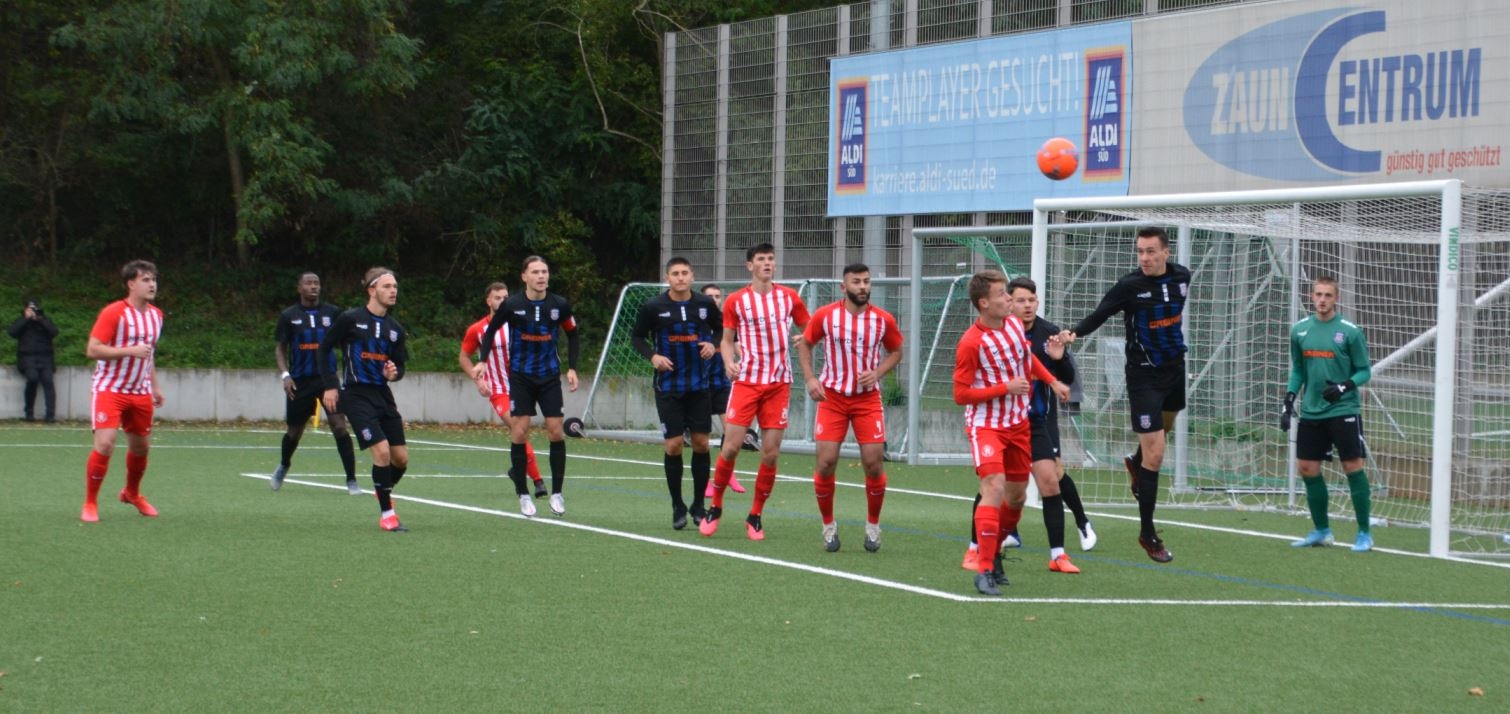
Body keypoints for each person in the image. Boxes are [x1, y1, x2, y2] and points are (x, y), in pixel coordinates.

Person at [1058, 226, 1190, 563]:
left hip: (1175, 369)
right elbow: (1100, 313)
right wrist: (1073, 333)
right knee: (1156, 456)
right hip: (1143, 377)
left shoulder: (1182, 277)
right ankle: (1148, 534)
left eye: (1150, 251)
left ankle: (1134, 461)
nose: (1144, 257)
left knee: (1166, 426)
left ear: (1166, 252)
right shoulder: (1129, 286)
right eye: (1140, 251)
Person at [960, 277, 1096, 574]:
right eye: (1008, 296)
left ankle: (1048, 551)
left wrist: (1053, 380)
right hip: (988, 425)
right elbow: (960, 394)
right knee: (993, 485)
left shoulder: (1018, 327)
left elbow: (1030, 359)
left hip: (1026, 422)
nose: (1017, 303)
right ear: (985, 303)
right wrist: (1005, 388)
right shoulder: (972, 341)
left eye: (1029, 300)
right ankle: (980, 558)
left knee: (1027, 490)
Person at [700, 242, 810, 540]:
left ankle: (756, 515)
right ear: (750, 265)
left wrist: (805, 337)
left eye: (770, 259)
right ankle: (716, 506)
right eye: (761, 259)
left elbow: (810, 327)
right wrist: (728, 362)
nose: (767, 263)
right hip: (747, 381)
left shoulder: (789, 297)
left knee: (770, 453)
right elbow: (726, 340)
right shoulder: (737, 300)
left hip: (778, 384)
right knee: (731, 447)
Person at [796, 263, 902, 553]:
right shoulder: (826, 315)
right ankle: (828, 526)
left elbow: (896, 351)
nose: (863, 286)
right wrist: (810, 379)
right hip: (832, 398)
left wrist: (877, 373)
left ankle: (873, 526)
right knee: (826, 461)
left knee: (873, 462)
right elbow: (805, 345)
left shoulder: (883, 319)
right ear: (844, 287)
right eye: (856, 282)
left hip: (867, 400)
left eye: (866, 281)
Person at [480, 255, 581, 518]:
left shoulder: (559, 304)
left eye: (544, 271)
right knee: (519, 431)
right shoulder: (512, 304)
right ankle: (523, 494)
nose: (541, 276)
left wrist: (572, 368)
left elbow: (572, 334)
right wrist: (482, 361)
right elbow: (490, 332)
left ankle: (557, 493)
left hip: (549, 377)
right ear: (524, 276)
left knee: (556, 432)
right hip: (521, 377)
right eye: (535, 272)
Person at [1283, 275, 1375, 552]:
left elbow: (1364, 371)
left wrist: (1344, 386)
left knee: (1352, 466)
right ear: (1312, 296)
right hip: (1312, 410)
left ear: (1336, 299)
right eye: (1318, 295)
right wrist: (1289, 399)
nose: (1322, 300)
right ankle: (1322, 531)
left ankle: (1364, 533)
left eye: (1328, 295)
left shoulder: (1350, 332)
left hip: (1344, 409)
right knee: (1307, 467)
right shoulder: (1300, 330)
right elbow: (1298, 370)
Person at [630, 258, 722, 529]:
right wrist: (653, 356)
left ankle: (698, 505)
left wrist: (712, 344)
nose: (680, 277)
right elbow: (637, 337)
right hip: (668, 387)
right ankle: (677, 506)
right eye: (675, 273)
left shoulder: (705, 304)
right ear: (667, 278)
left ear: (692, 276)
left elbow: (722, 329)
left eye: (685, 273)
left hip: (699, 386)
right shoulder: (653, 307)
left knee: (701, 444)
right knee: (673, 445)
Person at [319, 267, 411, 532]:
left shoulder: (396, 330)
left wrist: (394, 373)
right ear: (372, 290)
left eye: (395, 287)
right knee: (381, 451)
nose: (393, 291)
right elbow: (324, 348)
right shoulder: (350, 319)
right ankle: (387, 515)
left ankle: (382, 490)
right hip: (355, 394)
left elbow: (400, 366)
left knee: (400, 459)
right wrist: (330, 385)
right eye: (387, 286)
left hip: (383, 395)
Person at [80, 260, 165, 522]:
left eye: (153, 280)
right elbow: (93, 349)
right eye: (145, 280)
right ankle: (90, 503)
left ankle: (132, 493)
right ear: (131, 284)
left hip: (140, 391)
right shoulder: (114, 312)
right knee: (105, 443)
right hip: (110, 388)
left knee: (141, 448)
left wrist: (155, 386)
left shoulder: (157, 316)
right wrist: (129, 350)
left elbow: (148, 354)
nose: (152, 284)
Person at [271, 272, 360, 495]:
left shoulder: (333, 313)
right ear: (299, 288)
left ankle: (351, 480)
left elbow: (347, 342)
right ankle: (284, 465)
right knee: (294, 432)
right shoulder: (289, 316)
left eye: (317, 283)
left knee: (339, 426)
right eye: (309, 283)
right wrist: (285, 375)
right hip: (300, 382)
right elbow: (280, 348)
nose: (314, 286)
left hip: (327, 380)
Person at [459, 281, 544, 505]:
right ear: (488, 301)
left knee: (522, 432)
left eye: (506, 297)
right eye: (497, 298)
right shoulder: (478, 329)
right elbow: (464, 357)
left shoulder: (519, 323)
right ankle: (538, 481)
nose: (503, 301)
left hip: (522, 386)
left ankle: (518, 470)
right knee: (518, 428)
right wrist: (478, 379)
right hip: (498, 390)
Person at [699, 283, 746, 494]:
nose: (714, 300)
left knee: (733, 433)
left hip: (722, 384)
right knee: (703, 437)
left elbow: (737, 346)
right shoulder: (695, 322)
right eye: (710, 296)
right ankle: (706, 480)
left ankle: (727, 474)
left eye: (717, 296)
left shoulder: (726, 322)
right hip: (700, 386)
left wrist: (747, 358)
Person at [9, 297, 58, 422]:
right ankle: (29, 413)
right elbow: (12, 332)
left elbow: (54, 332)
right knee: (32, 378)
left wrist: (39, 319)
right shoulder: (21, 321)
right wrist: (26, 319)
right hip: (27, 357)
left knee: (48, 381)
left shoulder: (44, 320)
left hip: (45, 357)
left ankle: (50, 415)